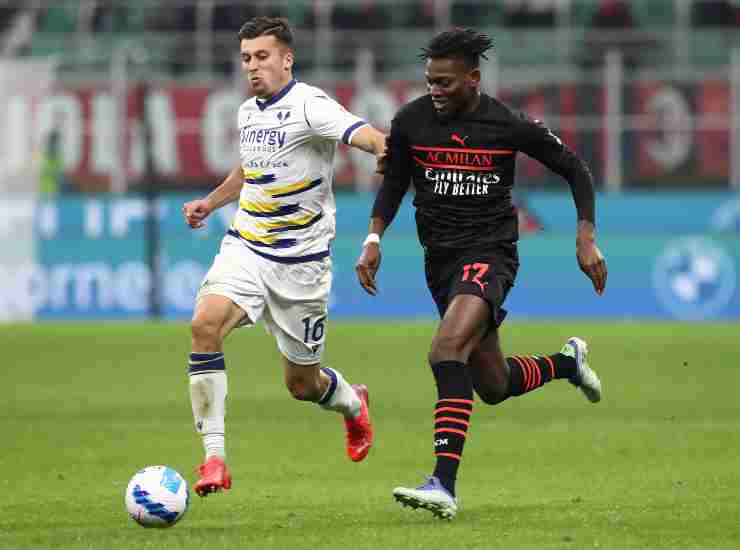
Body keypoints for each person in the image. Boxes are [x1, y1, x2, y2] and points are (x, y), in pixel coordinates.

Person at [355, 28, 607, 519]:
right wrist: (372, 238)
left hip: (490, 254)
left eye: (445, 83)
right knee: (492, 384)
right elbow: (395, 182)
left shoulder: (506, 124)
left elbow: (575, 168)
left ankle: (443, 485)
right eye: (430, 81)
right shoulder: (410, 122)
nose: (435, 91)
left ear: (473, 79)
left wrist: (585, 238)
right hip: (440, 262)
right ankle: (566, 363)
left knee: (445, 350)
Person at [182, 16, 385, 497]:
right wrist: (212, 202)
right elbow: (251, 170)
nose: (253, 66)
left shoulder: (310, 104)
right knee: (203, 326)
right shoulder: (248, 111)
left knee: (302, 384)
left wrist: (380, 147)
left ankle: (353, 404)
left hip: (302, 267)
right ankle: (214, 459)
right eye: (247, 58)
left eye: (262, 56)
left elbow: (359, 132)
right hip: (247, 246)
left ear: (286, 58)